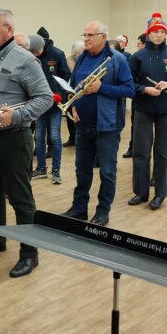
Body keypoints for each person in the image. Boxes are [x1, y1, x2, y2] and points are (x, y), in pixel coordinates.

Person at [0, 8, 53, 278]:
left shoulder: (26, 60)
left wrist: (15, 115)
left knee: (20, 199)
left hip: (14, 139)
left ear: (8, 30)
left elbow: (45, 98)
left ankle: (29, 253)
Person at [60, 20, 134, 226]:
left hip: (107, 125)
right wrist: (72, 104)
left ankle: (103, 212)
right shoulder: (82, 58)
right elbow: (74, 86)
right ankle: (79, 208)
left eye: (90, 35)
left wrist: (102, 88)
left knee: (107, 171)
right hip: (83, 124)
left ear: (103, 37)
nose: (86, 39)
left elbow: (130, 90)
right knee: (81, 169)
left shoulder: (117, 59)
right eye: (84, 35)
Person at [128, 13, 167, 211]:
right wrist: (144, 89)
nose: (159, 35)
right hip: (143, 108)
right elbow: (129, 84)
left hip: (166, 109)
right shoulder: (138, 57)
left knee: (163, 152)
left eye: (162, 32)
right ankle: (141, 192)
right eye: (155, 32)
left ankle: (160, 193)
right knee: (141, 151)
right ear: (148, 34)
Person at [30, 30, 70, 185]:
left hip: (55, 104)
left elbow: (66, 76)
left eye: (37, 51)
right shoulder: (32, 56)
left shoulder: (57, 54)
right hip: (39, 105)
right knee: (39, 138)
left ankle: (56, 170)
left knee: (54, 137)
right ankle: (41, 168)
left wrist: (60, 94)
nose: (35, 54)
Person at [123, 33, 148, 159]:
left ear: (144, 44)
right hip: (138, 96)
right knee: (135, 125)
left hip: (153, 98)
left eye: (139, 43)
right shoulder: (136, 58)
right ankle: (132, 148)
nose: (137, 45)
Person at [64, 40, 85, 148]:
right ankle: (72, 138)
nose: (78, 54)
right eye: (78, 52)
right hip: (69, 91)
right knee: (69, 117)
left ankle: (78, 138)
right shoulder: (68, 60)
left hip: (81, 92)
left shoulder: (84, 59)